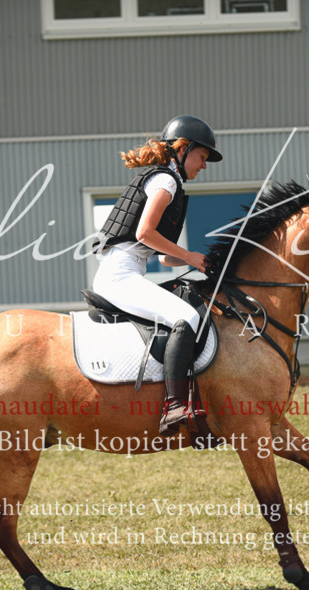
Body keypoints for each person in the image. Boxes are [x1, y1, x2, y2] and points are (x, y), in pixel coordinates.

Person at [92, 115, 222, 436]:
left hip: (127, 272)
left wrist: (202, 261)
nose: (203, 165)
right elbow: (145, 233)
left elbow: (163, 255)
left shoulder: (168, 181)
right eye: (202, 156)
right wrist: (188, 256)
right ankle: (174, 406)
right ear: (183, 149)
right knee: (187, 317)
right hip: (119, 276)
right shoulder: (166, 181)